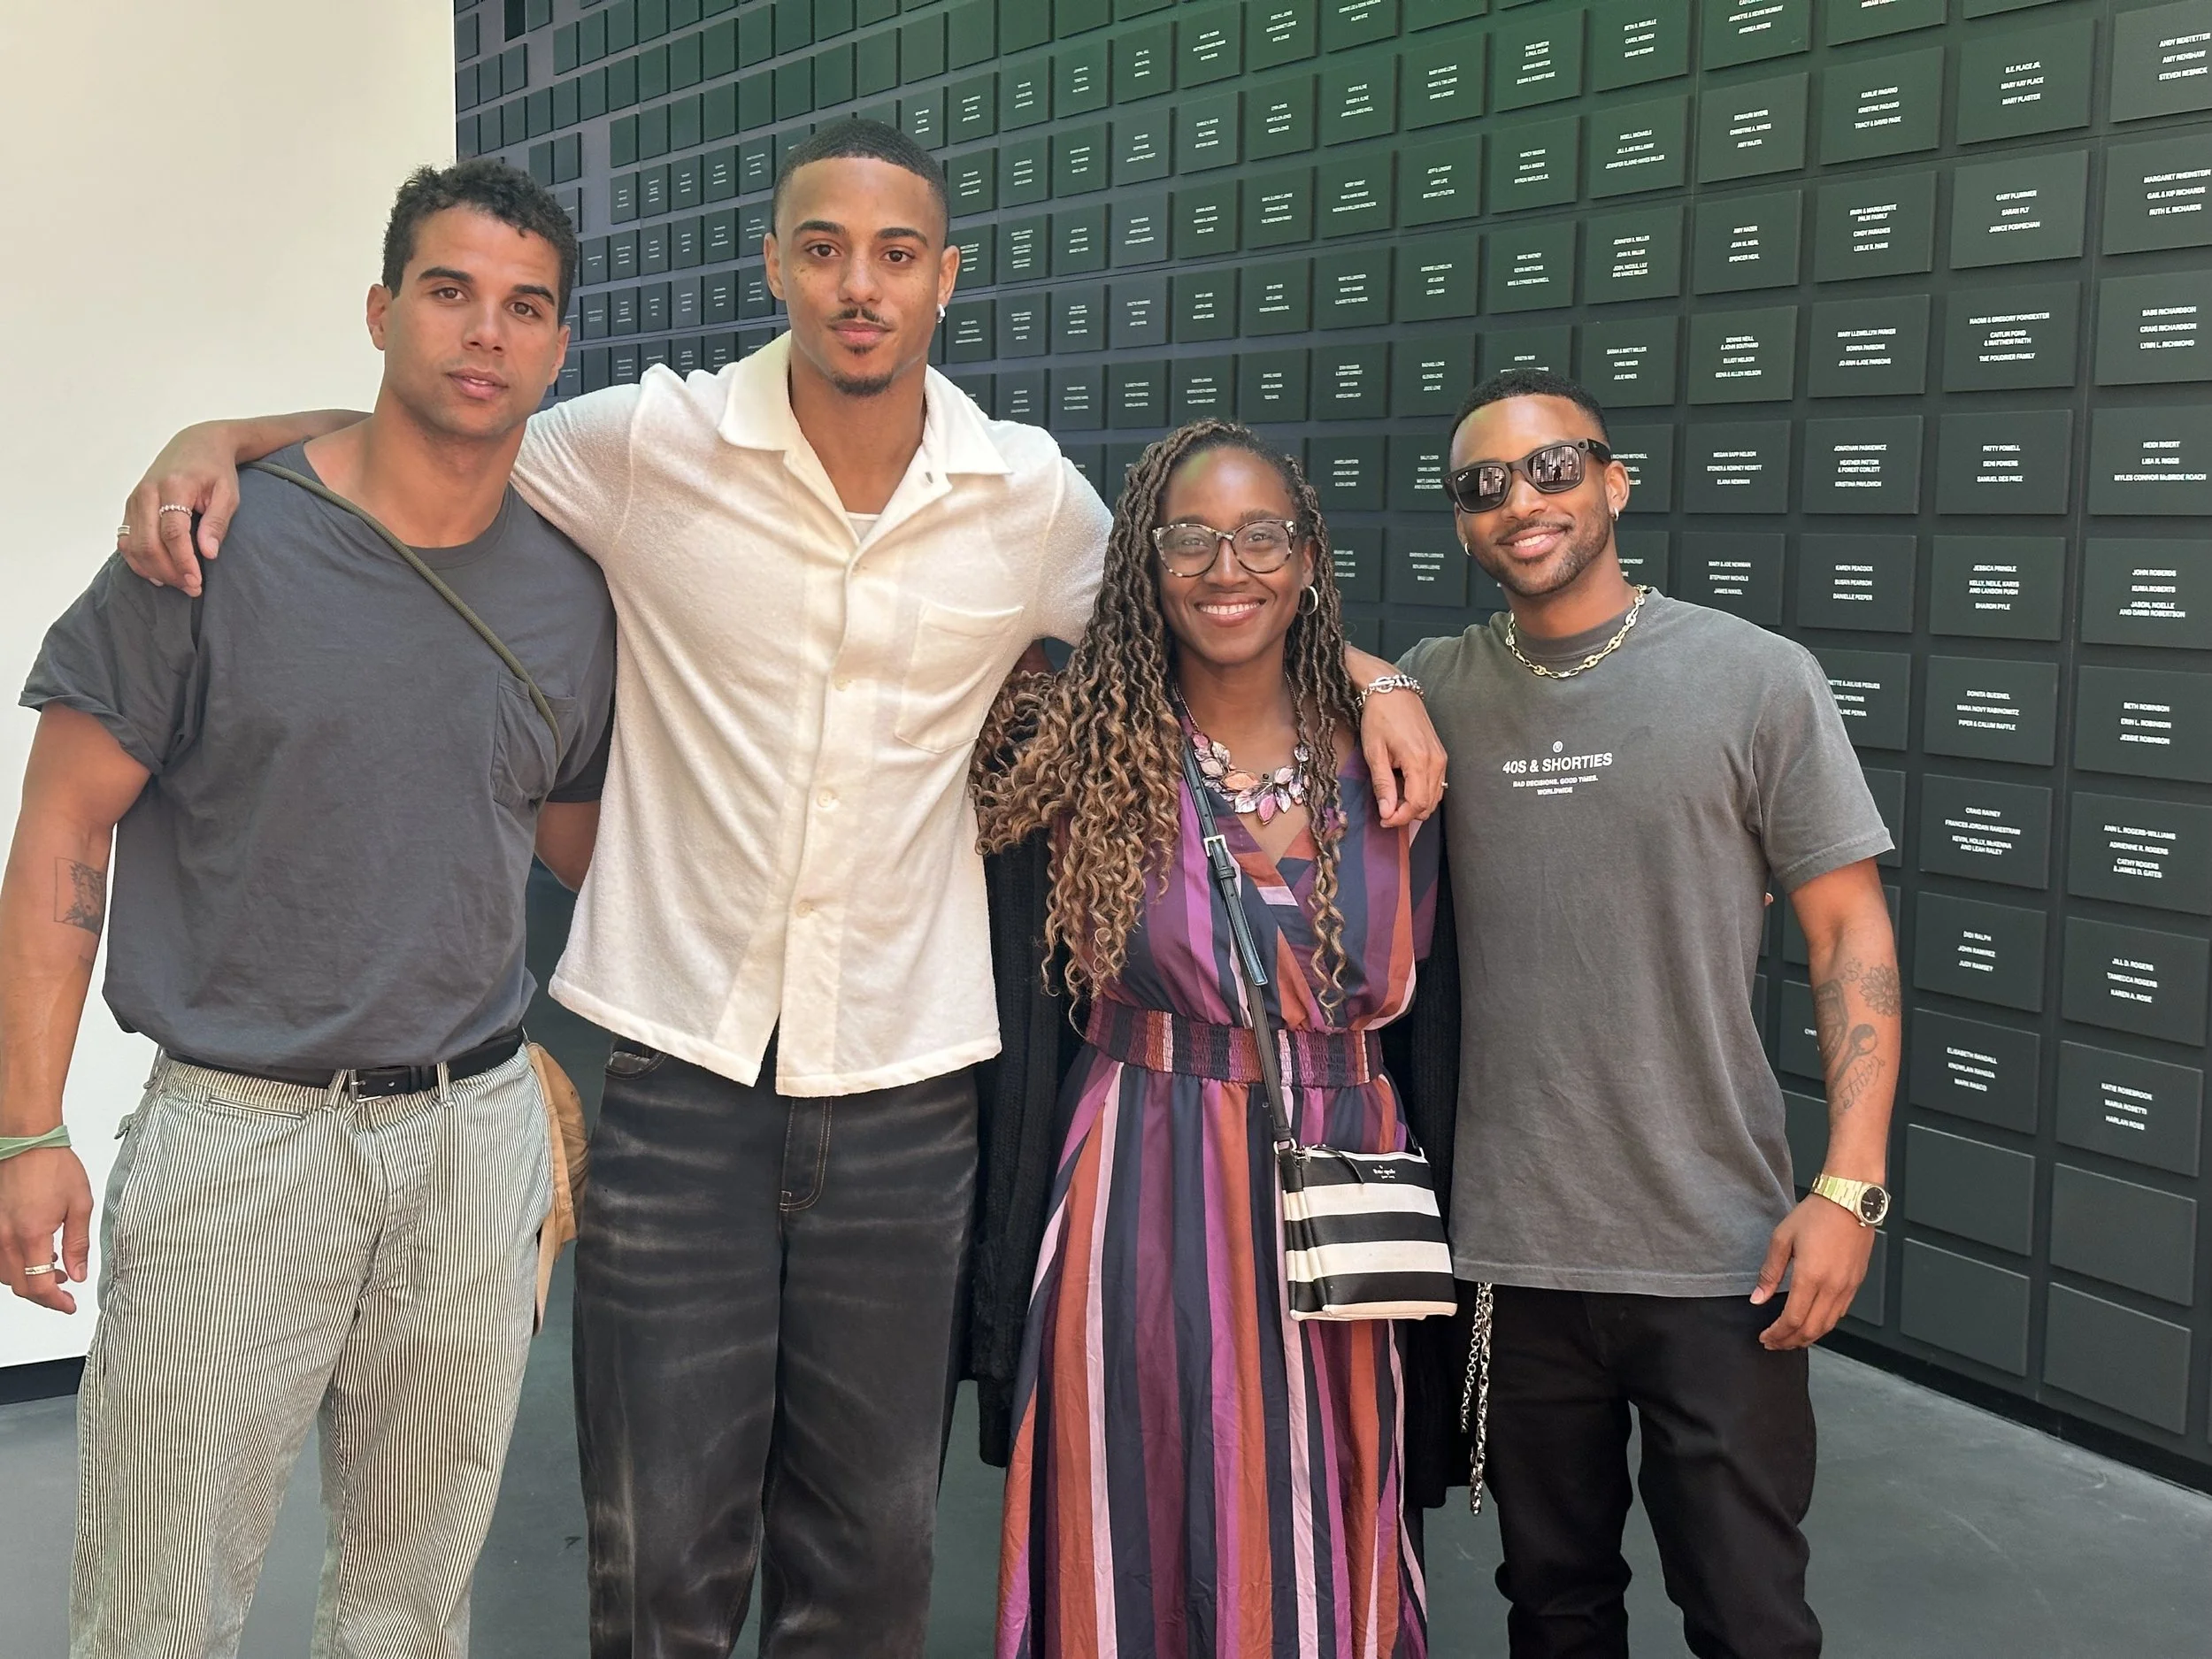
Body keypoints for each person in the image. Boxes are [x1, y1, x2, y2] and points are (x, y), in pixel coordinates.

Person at [119, 120, 1445, 1657]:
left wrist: (1367, 669)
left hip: (905, 1102)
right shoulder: (648, 444)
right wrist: (225, 435)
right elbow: (440, 432)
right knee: (658, 1563)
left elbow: (1206, 599)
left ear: (945, 278)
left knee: (866, 1568)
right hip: (678, 1089)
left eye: (895, 255)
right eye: (824, 250)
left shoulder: (1021, 493)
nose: (858, 286)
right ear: (775, 265)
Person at [0, 161, 616, 1658]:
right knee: (155, 1614)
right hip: (242, 1140)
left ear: (558, 346)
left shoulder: (569, 592)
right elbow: (64, 824)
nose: (485, 332)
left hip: (471, 1144)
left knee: (412, 1611)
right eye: (450, 291)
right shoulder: (206, 548)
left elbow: (578, 845)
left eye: (524, 306)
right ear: (382, 310)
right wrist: (25, 1130)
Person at [1400, 368, 1901, 1658]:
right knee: (1554, 1608)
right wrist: (1368, 679)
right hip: (1512, 1255)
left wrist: (1849, 1189)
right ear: (1461, 523)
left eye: (1554, 467)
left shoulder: (1755, 678)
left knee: (1750, 1615)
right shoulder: (1431, 686)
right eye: (1483, 485)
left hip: (1720, 1251)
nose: (1522, 501)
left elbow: (1849, 931)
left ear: (1616, 483)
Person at [970, 421, 1444, 1657]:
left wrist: (1379, 679)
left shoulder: (1398, 754)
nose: (1227, 568)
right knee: (1136, 1482)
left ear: (1307, 558)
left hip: (1339, 1177)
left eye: (1260, 536)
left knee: (1328, 1485)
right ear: (1147, 563)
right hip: (1141, 1171)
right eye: (1190, 539)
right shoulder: (1084, 748)